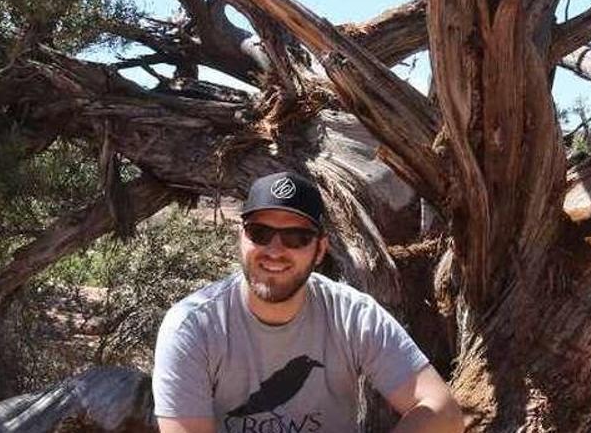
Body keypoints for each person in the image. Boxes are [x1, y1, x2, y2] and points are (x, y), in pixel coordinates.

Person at [152, 171, 464, 433]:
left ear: (319, 250)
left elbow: (443, 411)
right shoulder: (192, 326)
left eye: (296, 238)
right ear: (241, 237)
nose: (274, 250)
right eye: (259, 232)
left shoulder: (353, 316)